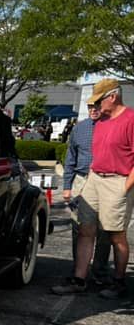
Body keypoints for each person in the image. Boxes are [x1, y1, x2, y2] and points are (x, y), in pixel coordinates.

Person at [53, 79, 134, 298]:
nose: (95, 106)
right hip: (94, 178)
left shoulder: (130, 119)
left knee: (116, 235)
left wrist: (124, 188)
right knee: (85, 229)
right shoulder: (100, 122)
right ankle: (79, 279)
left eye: (99, 101)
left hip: (118, 180)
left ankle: (118, 282)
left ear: (113, 97)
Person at [61, 101, 112, 283]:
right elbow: (70, 159)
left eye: (97, 107)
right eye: (90, 106)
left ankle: (100, 271)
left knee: (105, 229)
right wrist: (67, 186)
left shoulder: (112, 127)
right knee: (78, 226)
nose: (93, 110)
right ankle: (78, 270)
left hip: (107, 179)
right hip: (81, 180)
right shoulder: (79, 128)